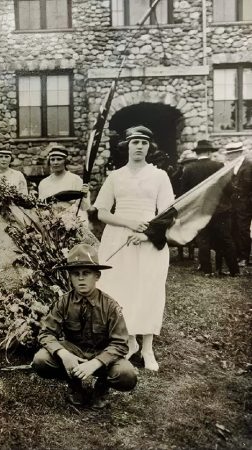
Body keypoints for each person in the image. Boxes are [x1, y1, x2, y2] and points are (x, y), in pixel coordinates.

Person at [94, 126, 175, 371]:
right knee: (121, 288)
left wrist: (147, 235)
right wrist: (129, 224)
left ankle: (148, 347)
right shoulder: (115, 176)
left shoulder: (159, 176)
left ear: (149, 147)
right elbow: (103, 212)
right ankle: (130, 343)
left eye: (143, 142)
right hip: (118, 237)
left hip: (149, 240)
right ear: (127, 146)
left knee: (148, 288)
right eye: (134, 142)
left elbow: (167, 214)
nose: (139, 146)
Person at [32, 244, 137, 409]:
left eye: (86, 273)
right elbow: (46, 333)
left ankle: (102, 387)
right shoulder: (63, 303)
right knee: (41, 360)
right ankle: (74, 385)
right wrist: (64, 354)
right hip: (74, 352)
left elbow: (120, 344)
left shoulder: (110, 306)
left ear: (97, 276)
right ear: (70, 278)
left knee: (126, 374)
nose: (81, 278)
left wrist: (96, 363)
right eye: (75, 274)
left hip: (102, 355)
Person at [180, 139, 239, 277]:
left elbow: (184, 193)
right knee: (226, 239)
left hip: (200, 210)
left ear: (198, 153)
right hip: (220, 210)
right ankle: (234, 270)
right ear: (208, 152)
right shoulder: (219, 166)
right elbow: (228, 188)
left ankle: (207, 270)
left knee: (203, 240)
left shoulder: (189, 169)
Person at [37, 143, 90, 209]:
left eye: (59, 159)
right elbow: (41, 207)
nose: (55, 163)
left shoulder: (76, 180)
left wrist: (84, 196)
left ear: (65, 161)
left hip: (72, 217)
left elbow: (85, 208)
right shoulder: (44, 183)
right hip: (50, 218)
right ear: (49, 162)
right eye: (52, 159)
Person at [228, 142, 252, 269]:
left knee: (243, 229)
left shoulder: (248, 165)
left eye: (231, 154)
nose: (229, 156)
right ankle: (237, 254)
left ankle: (244, 257)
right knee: (234, 228)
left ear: (238, 153)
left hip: (244, 204)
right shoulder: (233, 165)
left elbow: (248, 185)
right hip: (234, 203)